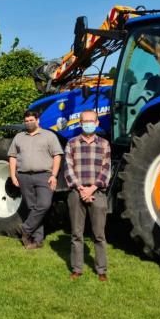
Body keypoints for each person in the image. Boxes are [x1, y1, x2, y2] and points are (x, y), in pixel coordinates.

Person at [62, 110, 111, 280]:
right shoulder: (71, 143)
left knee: (99, 234)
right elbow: (68, 168)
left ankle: (101, 270)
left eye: (92, 121)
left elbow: (106, 170)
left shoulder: (104, 144)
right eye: (85, 121)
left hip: (97, 192)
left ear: (97, 123)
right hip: (77, 193)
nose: (88, 123)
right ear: (80, 123)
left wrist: (92, 189)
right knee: (77, 234)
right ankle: (77, 268)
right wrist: (81, 188)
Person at [8, 110, 63, 249]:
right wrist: (13, 175)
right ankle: (37, 240)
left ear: (38, 120)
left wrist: (54, 175)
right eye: (26, 121)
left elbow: (57, 155)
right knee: (32, 208)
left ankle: (25, 228)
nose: (29, 123)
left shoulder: (49, 136)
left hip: (44, 175)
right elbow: (12, 156)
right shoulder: (19, 137)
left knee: (44, 204)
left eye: (31, 120)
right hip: (24, 176)